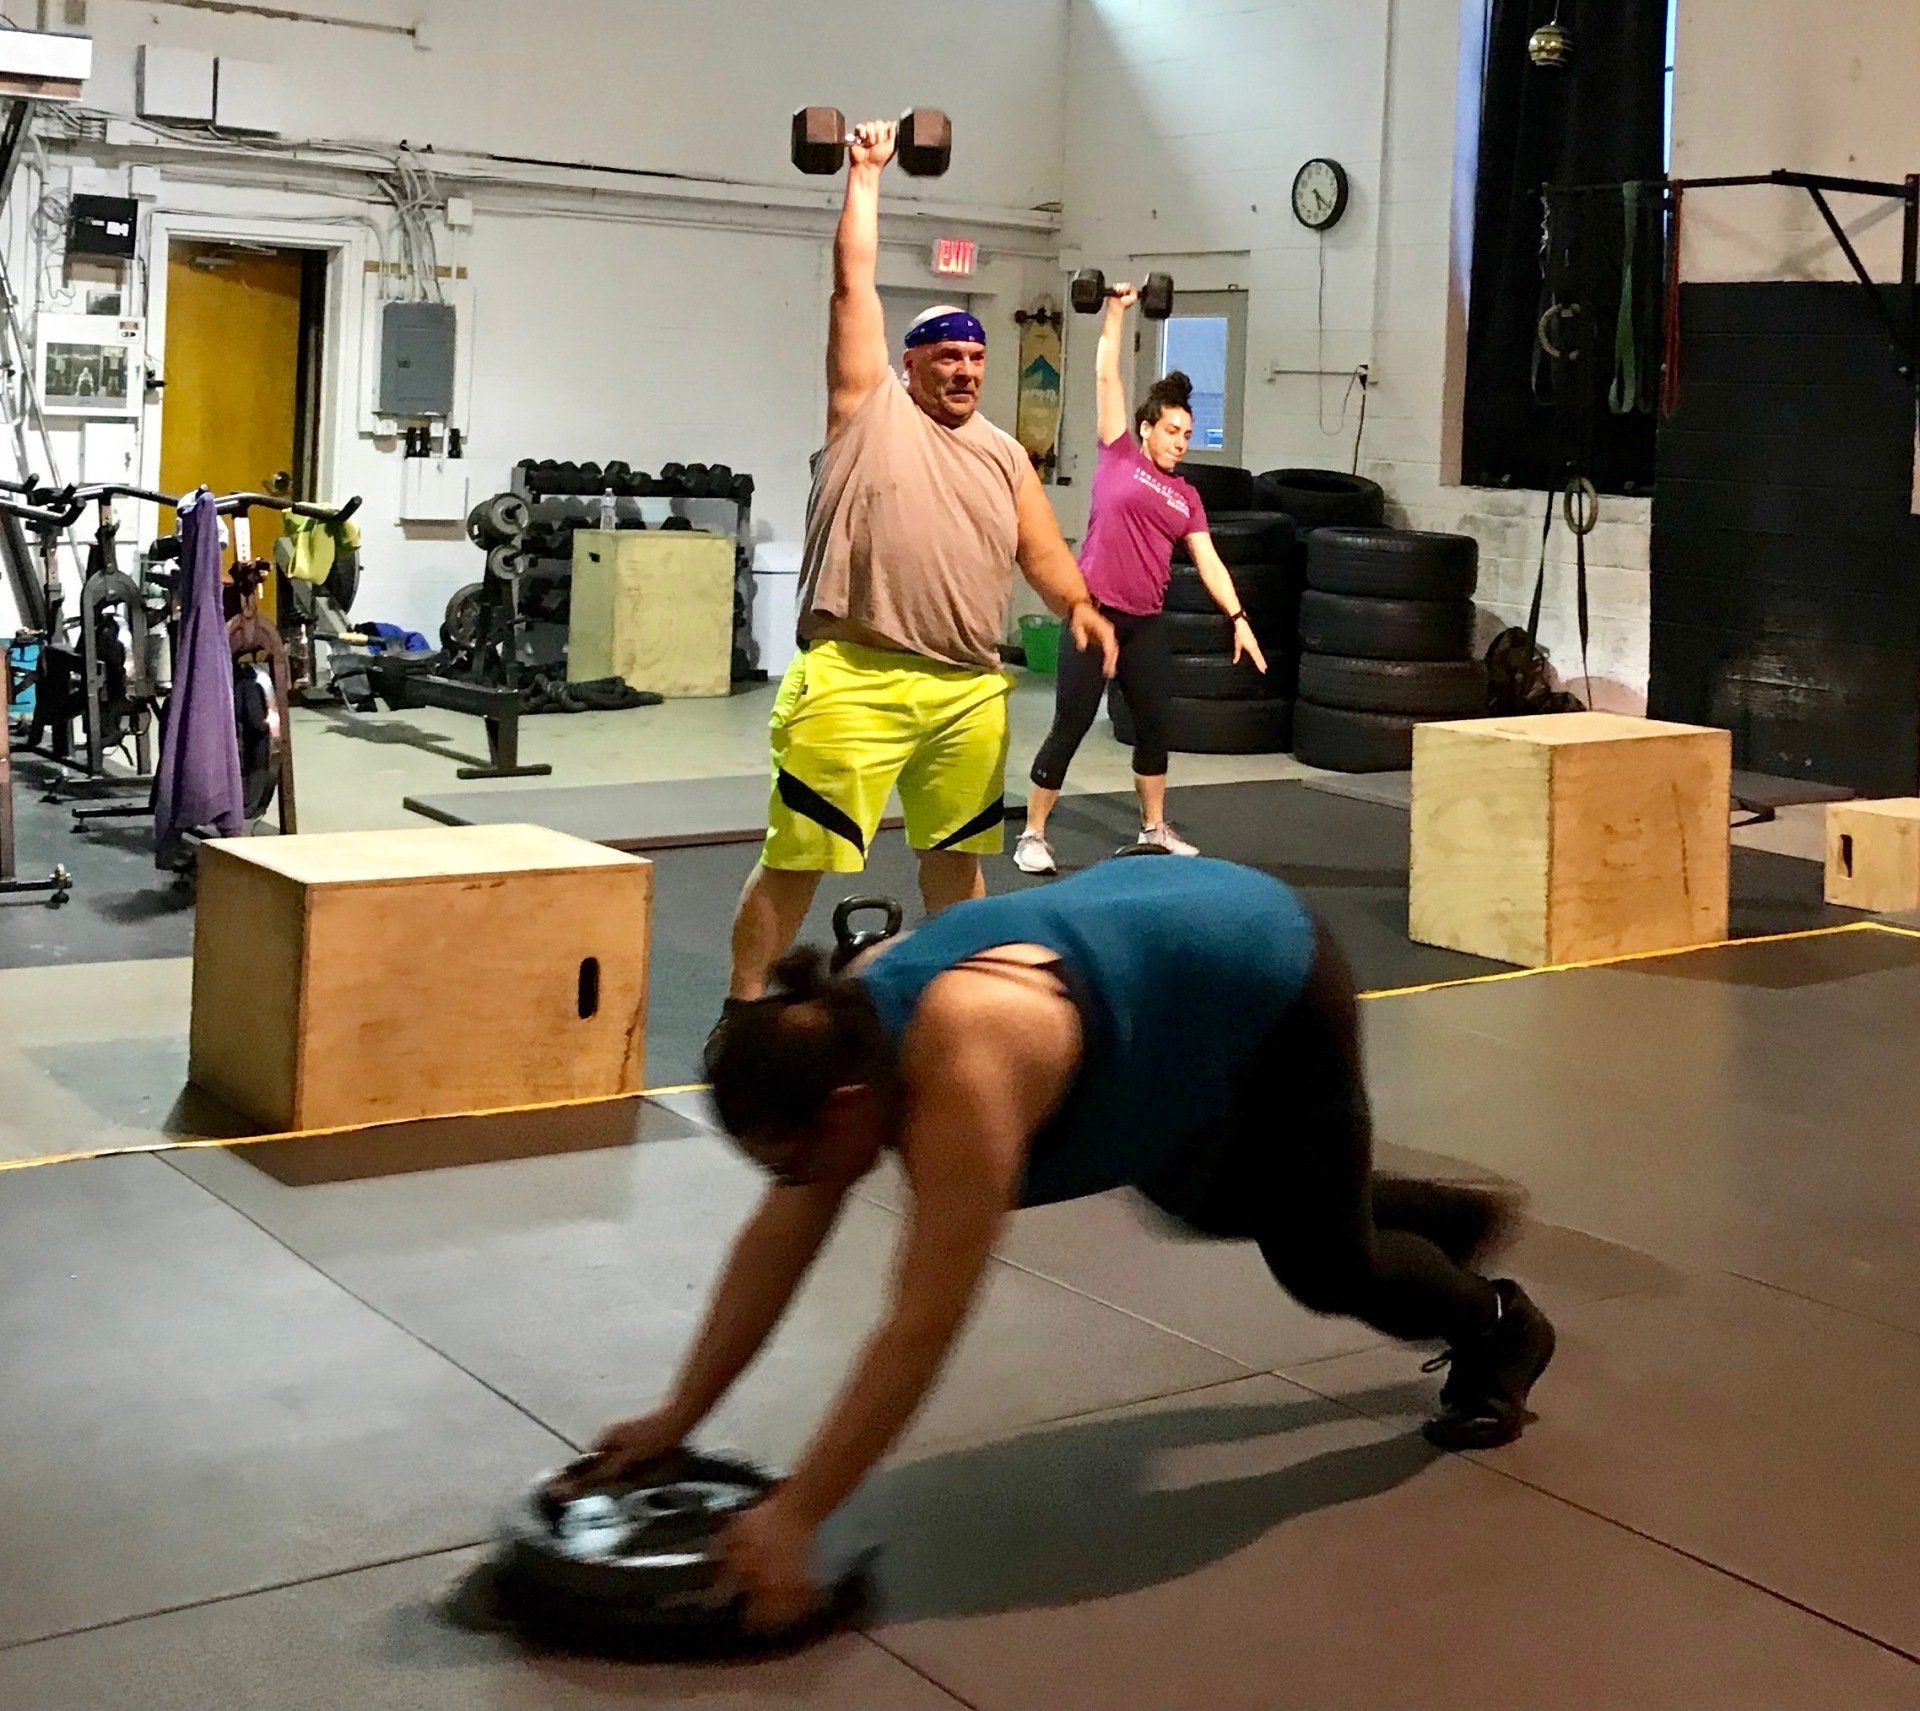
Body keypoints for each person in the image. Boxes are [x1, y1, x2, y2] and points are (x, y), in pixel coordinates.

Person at [573, 856, 1555, 1631]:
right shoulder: (836, 1037)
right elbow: (778, 1239)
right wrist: (677, 1413)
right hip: (1160, 973)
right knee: (1200, 1198)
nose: (796, 1187)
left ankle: (1500, 1327)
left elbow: (919, 1325)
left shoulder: (964, 1072)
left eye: (794, 1164)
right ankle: (1415, 1215)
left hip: (1269, 971)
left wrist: (797, 1514)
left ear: (843, 1109)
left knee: (1327, 1266)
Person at [727, 118, 1118, 1011]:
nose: (966, 370)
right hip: (854, 675)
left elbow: (1041, 548)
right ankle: (742, 1008)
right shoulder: (868, 410)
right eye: (948, 355)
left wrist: (1078, 605)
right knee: (798, 856)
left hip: (968, 688)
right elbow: (852, 283)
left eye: (977, 357)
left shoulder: (1005, 454)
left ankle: (960, 1007)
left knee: (958, 860)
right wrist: (866, 173)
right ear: (908, 364)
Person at [1015, 284, 1269, 874]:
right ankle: (1033, 834)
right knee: (1071, 724)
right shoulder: (1118, 455)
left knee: (1155, 727)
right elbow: (1107, 376)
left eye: (1187, 434)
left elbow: (1209, 561)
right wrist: (1116, 312)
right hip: (1093, 612)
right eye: (1173, 430)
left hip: (1145, 624)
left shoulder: (1187, 498)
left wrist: (1238, 618)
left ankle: (1154, 828)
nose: (1181, 442)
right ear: (1147, 428)